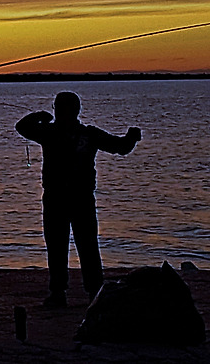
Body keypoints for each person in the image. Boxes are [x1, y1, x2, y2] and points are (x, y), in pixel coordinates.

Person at [16, 91, 140, 307]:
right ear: (77, 110)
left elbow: (23, 127)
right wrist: (132, 137)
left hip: (66, 198)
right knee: (81, 245)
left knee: (65, 246)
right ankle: (84, 292)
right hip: (70, 198)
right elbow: (121, 147)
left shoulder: (52, 132)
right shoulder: (73, 133)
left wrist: (39, 116)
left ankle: (66, 293)